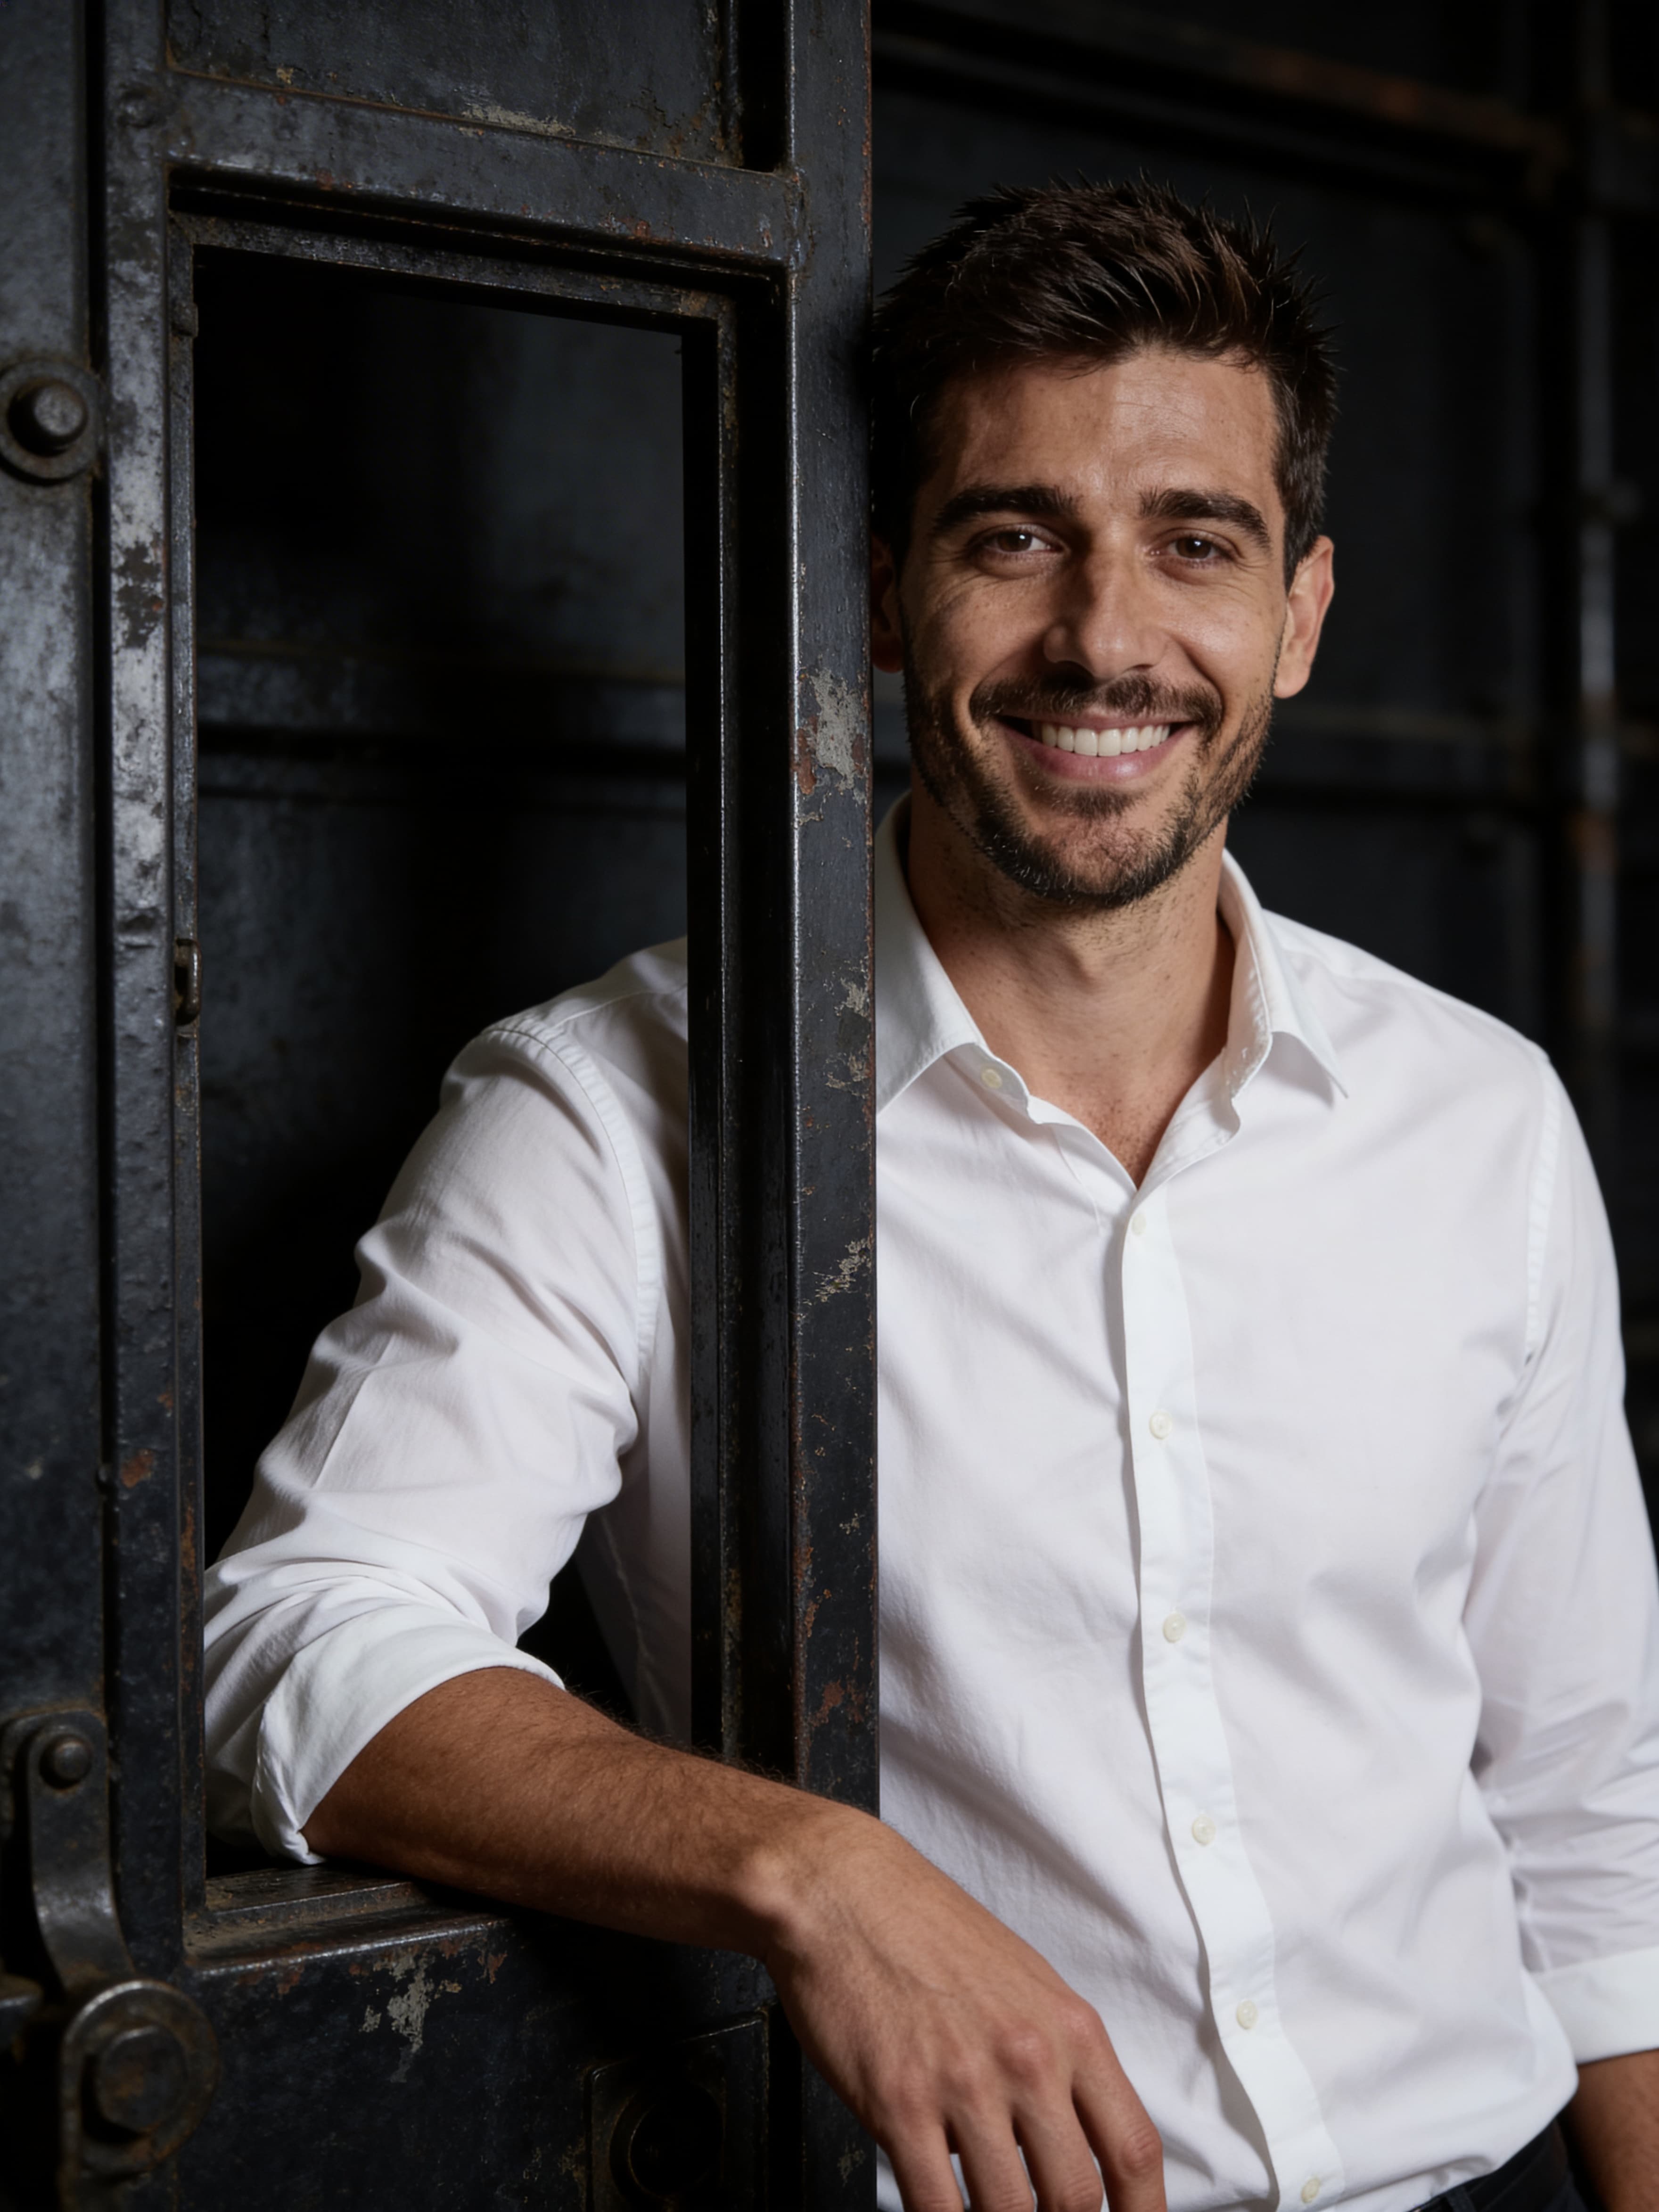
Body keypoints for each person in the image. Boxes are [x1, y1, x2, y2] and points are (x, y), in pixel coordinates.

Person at [203, 183, 1659, 2212]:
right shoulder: (618, 1103)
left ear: (1299, 617)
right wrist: (813, 1868)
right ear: (883, 599)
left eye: (1195, 542)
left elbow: (1590, 1808)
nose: (1105, 638)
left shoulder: (1479, 1120)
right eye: (1013, 536)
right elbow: (302, 1635)